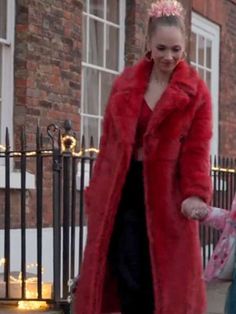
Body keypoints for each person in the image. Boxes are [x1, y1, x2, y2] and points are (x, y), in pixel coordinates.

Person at [74, 0, 213, 313]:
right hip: (123, 192)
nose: (168, 57)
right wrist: (97, 193)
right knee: (126, 272)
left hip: (169, 196)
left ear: (185, 46)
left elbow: (197, 149)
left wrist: (195, 193)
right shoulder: (125, 85)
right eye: (162, 48)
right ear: (148, 44)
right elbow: (109, 145)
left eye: (176, 49)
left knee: (163, 282)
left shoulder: (197, 92)